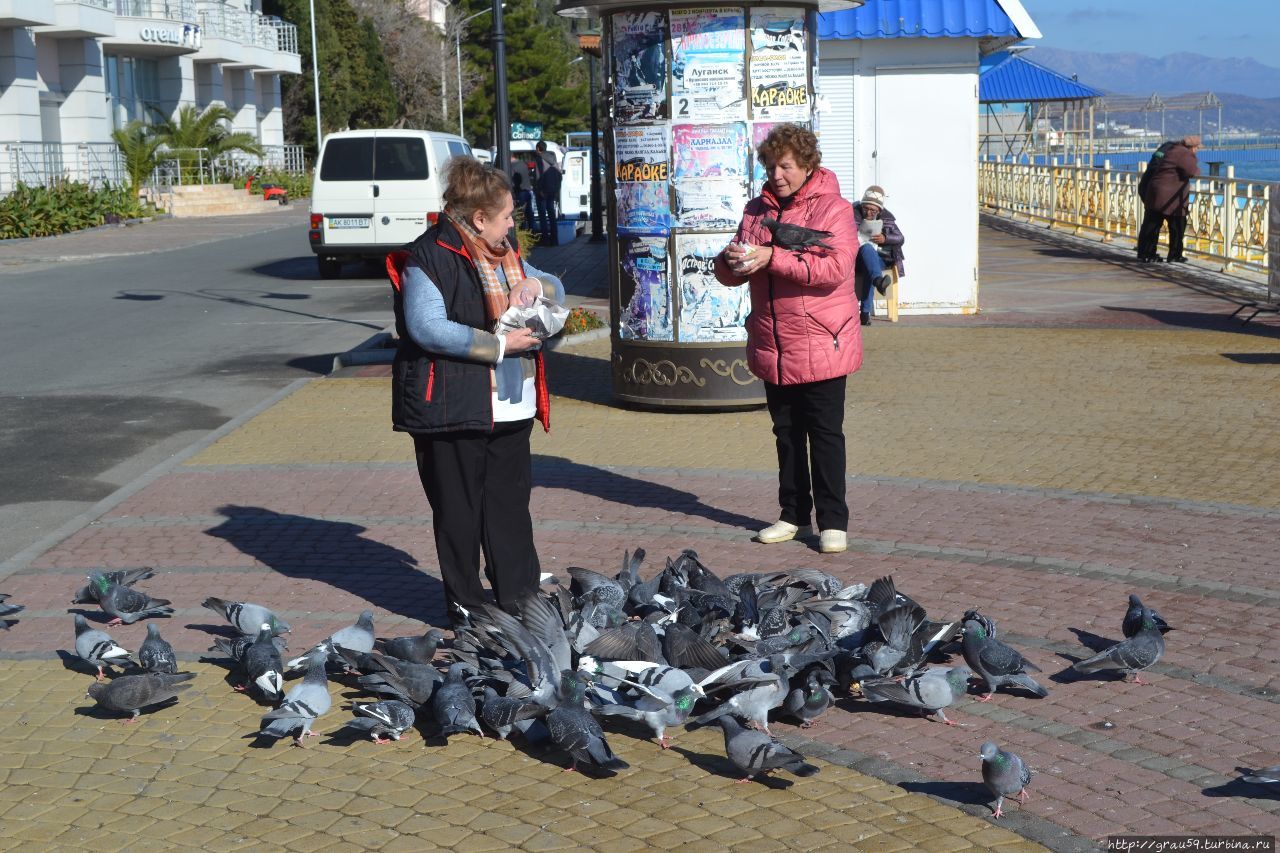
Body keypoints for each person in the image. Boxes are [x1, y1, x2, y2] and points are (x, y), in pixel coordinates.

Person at [389, 155, 565, 624]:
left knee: (509, 504)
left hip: (510, 403)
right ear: (479, 217)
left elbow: (548, 285)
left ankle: (519, 595)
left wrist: (538, 287)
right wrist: (500, 344)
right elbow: (426, 328)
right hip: (451, 405)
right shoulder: (428, 256)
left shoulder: (504, 251)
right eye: (506, 215)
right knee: (459, 512)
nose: (513, 223)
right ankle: (466, 605)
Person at [713, 124, 860, 554]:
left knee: (825, 432)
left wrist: (772, 258)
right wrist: (730, 261)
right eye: (770, 166)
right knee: (786, 433)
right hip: (774, 341)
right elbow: (733, 272)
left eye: (786, 166)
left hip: (822, 339)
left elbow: (834, 269)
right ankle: (792, 514)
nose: (777, 174)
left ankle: (833, 521)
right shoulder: (756, 210)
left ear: (808, 165)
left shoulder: (835, 209)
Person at [1136, 135, 1200, 263]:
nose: (1198, 150)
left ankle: (1146, 253)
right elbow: (1192, 171)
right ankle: (1175, 255)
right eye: (1197, 147)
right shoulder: (1184, 153)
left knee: (1151, 224)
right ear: (1192, 147)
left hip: (1154, 191)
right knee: (1177, 225)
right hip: (1170, 197)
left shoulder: (1170, 149)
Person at [852, 186, 906, 326]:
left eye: (873, 210)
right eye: (865, 208)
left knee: (870, 263)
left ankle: (865, 313)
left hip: (880, 258)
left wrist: (885, 238)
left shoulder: (886, 217)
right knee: (867, 249)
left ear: (879, 210)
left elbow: (900, 238)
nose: (868, 212)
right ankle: (876, 285)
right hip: (855, 258)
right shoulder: (852, 213)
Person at [533, 141, 562, 245]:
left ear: (538, 149)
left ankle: (545, 240)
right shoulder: (553, 159)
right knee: (551, 215)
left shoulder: (539, 159)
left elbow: (538, 176)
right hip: (552, 190)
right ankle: (554, 239)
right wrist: (556, 189)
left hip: (543, 192)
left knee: (542, 216)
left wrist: (539, 189)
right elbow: (559, 175)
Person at [510, 153, 535, 228]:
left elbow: (512, 182)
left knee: (520, 214)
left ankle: (523, 230)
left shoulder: (512, 166)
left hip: (520, 192)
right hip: (528, 191)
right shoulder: (523, 163)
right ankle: (532, 231)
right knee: (529, 213)